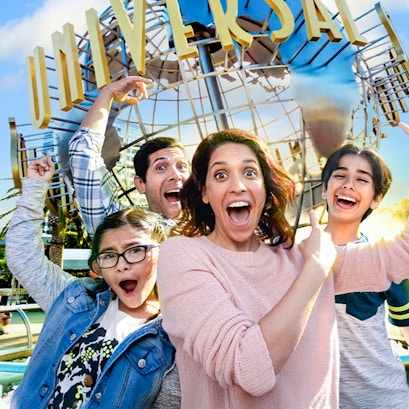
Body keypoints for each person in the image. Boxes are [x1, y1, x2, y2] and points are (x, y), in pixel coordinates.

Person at [157, 126, 409, 409]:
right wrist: (316, 268)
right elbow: (249, 370)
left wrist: (315, 262)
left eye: (250, 173)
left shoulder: (297, 256)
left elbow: (399, 256)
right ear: (204, 192)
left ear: (265, 190)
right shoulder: (182, 255)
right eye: (220, 175)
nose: (238, 185)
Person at [6, 152, 180, 409]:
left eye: (135, 250)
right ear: (98, 267)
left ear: (162, 253)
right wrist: (34, 186)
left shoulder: (174, 335)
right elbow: (23, 258)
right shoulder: (76, 298)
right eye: (109, 255)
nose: (122, 264)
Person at [321, 143, 409, 408]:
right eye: (340, 175)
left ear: (376, 199)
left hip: (384, 399)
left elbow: (406, 325)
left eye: (362, 179)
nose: (349, 184)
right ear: (324, 188)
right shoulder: (293, 257)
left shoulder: (383, 259)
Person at [68, 76, 190, 237]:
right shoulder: (124, 229)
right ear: (140, 184)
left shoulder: (219, 224)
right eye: (161, 167)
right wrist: (107, 94)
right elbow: (82, 153)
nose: (176, 175)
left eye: (181, 166)